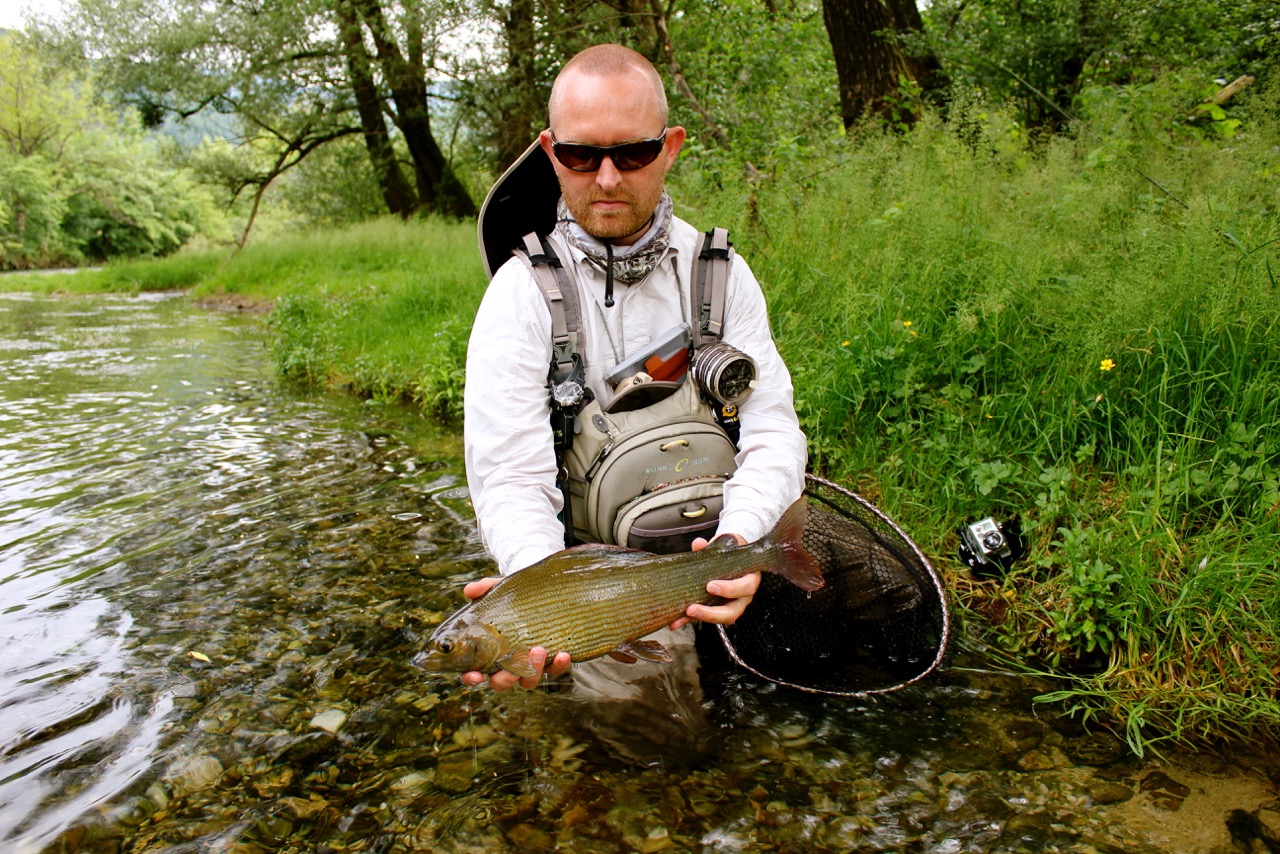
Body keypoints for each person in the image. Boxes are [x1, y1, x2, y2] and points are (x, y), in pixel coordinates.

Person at [461, 43, 807, 693]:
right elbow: (509, 477)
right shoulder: (517, 295)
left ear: (670, 146)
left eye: (634, 153)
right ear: (549, 152)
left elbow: (773, 429)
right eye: (581, 156)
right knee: (656, 744)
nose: (610, 178)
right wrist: (547, 607)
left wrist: (744, 540)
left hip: (724, 528)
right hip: (595, 580)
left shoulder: (720, 274)